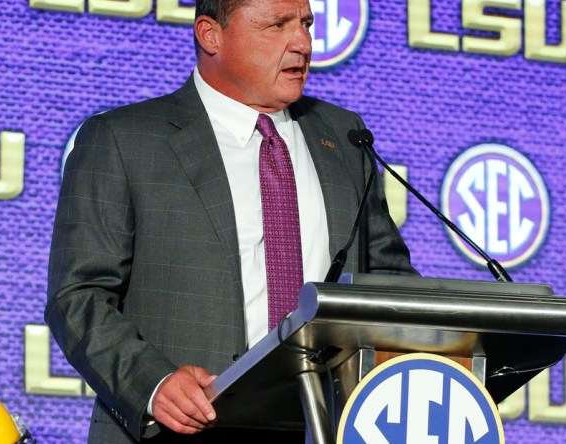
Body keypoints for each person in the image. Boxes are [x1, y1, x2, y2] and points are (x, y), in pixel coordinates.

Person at [45, 0, 416, 442]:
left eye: (305, 24)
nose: (302, 42)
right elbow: (79, 296)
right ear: (210, 34)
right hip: (184, 427)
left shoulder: (343, 137)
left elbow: (392, 286)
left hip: (323, 425)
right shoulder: (124, 141)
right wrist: (153, 383)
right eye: (277, 25)